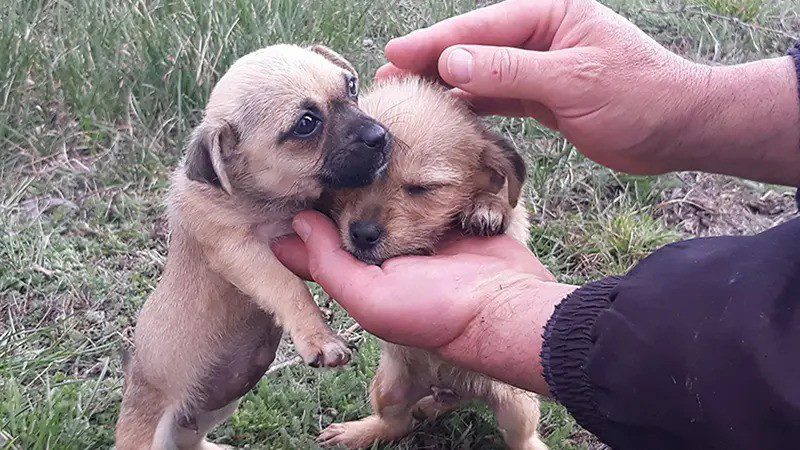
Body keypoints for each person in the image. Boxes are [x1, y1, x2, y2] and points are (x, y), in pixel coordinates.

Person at [272, 0, 800, 448]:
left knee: (518, 422)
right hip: (405, 360)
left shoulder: (488, 190)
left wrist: (496, 214)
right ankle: (390, 425)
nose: (366, 223)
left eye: (419, 189)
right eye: (357, 185)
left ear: (493, 174)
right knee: (390, 397)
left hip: (502, 372)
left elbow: (504, 215)